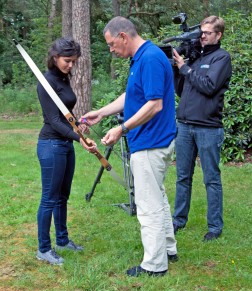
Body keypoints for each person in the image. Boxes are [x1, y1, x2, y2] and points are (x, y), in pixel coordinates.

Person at [80, 16, 178, 277]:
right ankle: (169, 249)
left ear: (123, 36)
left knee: (148, 206)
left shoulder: (150, 58)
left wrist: (122, 128)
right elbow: (132, 96)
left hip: (150, 143)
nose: (111, 49)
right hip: (150, 141)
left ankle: (155, 265)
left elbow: (154, 104)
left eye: (112, 43)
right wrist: (101, 113)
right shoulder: (141, 58)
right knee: (158, 196)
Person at [36, 37, 96, 265]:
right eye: (67, 61)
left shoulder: (63, 78)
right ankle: (43, 248)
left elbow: (64, 114)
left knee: (63, 197)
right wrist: (79, 137)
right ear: (55, 57)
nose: (71, 65)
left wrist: (77, 126)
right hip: (51, 145)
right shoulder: (46, 81)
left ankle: (62, 240)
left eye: (74, 61)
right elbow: (52, 120)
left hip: (65, 144)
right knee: (49, 199)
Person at [172, 16, 232, 241]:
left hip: (208, 128)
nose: (202, 36)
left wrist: (185, 69)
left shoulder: (221, 58)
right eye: (202, 32)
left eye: (207, 32)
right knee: (182, 177)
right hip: (185, 126)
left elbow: (208, 86)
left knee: (211, 179)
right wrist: (176, 69)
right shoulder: (195, 58)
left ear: (218, 35)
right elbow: (182, 91)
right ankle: (179, 219)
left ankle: (215, 227)